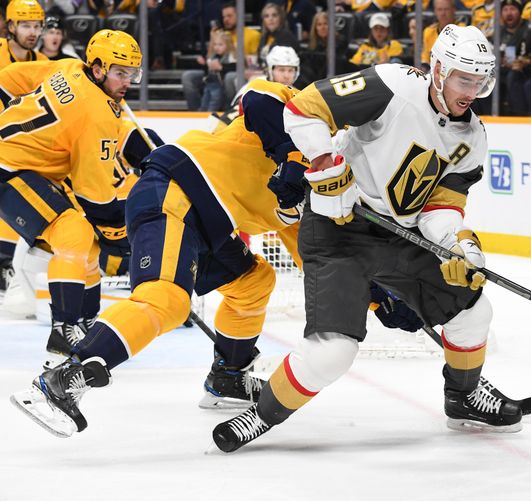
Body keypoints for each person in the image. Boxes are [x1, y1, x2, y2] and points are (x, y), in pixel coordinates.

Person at [213, 24, 523, 454]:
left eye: (479, 81)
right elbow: (303, 109)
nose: (471, 90)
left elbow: (440, 207)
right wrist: (326, 165)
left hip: (401, 236)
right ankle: (261, 414)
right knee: (331, 353)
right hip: (338, 230)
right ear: (437, 70)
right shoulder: (394, 85)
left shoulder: (472, 139)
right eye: (463, 79)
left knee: (473, 312)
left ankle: (463, 397)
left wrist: (458, 246)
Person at [9, 75, 311, 436]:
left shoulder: (323, 187)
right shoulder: (301, 114)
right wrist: (291, 157)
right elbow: (258, 95)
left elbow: (318, 256)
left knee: (254, 280)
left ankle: (227, 378)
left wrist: (382, 298)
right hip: (177, 189)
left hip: (210, 225)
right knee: (166, 299)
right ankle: (61, 380)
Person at [0, 30, 142, 362]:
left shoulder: (67, 67)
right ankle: (63, 328)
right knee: (76, 233)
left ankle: (88, 324)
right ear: (98, 69)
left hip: (26, 169)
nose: (128, 82)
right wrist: (118, 235)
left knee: (87, 243)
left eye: (132, 73)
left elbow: (7, 79)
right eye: (120, 73)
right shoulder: (97, 114)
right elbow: (94, 197)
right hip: (8, 169)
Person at [0, 0, 47, 295]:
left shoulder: (42, 62)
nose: (32, 32)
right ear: (11, 26)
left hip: (20, 147)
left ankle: (7, 264)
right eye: (26, 25)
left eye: (37, 25)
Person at [199, 29, 236, 112]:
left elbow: (233, 68)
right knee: (205, 99)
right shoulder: (213, 56)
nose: (216, 47)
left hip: (222, 86)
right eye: (215, 44)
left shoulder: (231, 57)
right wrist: (204, 64)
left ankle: (210, 114)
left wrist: (221, 67)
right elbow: (207, 70)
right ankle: (202, 113)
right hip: (210, 83)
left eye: (220, 45)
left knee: (215, 100)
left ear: (228, 45)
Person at [256, 2, 300, 67]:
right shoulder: (264, 37)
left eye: (274, 15)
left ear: (280, 18)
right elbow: (260, 60)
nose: (270, 19)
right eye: (266, 16)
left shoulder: (286, 36)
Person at [421, 0, 461, 68]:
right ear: (435, 12)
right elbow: (425, 59)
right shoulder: (429, 32)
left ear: (453, 10)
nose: (443, 13)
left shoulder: (462, 30)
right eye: (439, 9)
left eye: (446, 9)